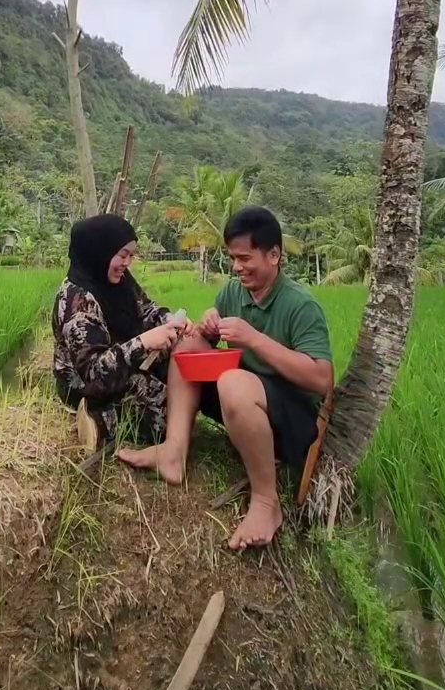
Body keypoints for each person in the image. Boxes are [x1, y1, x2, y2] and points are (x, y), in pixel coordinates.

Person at [118, 206, 334, 549]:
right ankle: (174, 451)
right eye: (233, 257)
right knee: (187, 343)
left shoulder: (300, 305)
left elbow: (322, 379)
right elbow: (215, 344)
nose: (236, 267)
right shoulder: (234, 293)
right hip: (242, 402)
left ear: (274, 255)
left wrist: (254, 339)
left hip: (292, 422)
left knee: (232, 382)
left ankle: (267, 501)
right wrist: (208, 328)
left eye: (245, 258)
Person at [52, 214, 184, 449]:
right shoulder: (77, 300)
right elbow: (92, 372)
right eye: (122, 255)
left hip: (121, 363)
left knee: (182, 371)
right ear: (99, 252)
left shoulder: (118, 279)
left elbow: (146, 310)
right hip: (87, 385)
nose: (127, 263)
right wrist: (143, 343)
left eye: (131, 256)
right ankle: (98, 421)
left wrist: (170, 320)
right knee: (168, 418)